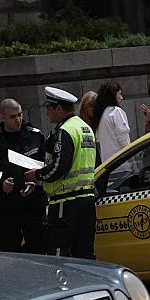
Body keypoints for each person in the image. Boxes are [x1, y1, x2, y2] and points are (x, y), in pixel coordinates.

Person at [23, 87, 97, 259]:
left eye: (49, 108)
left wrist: (37, 175)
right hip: (86, 200)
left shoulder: (65, 131)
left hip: (65, 202)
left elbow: (59, 167)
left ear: (58, 108)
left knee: (59, 253)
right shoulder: (85, 128)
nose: (47, 112)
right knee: (85, 253)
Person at [0, 98, 47, 254]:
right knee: (9, 252)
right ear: (2, 117)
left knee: (39, 250)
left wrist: (36, 181)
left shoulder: (36, 137)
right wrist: (1, 185)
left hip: (33, 205)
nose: (18, 120)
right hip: (6, 208)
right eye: (13, 117)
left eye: (20, 115)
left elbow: (47, 167)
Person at [91, 80, 131, 165]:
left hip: (107, 165)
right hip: (121, 164)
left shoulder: (101, 115)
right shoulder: (116, 112)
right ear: (113, 95)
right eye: (119, 94)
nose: (121, 98)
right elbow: (124, 141)